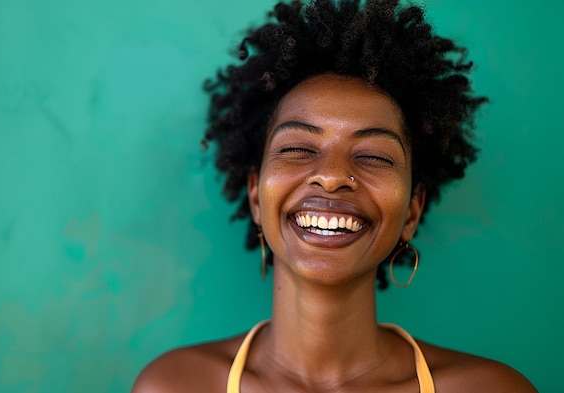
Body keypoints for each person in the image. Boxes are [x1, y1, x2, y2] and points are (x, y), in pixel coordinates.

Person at [132, 0, 537, 391]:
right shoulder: (174, 386)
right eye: (298, 149)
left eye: (374, 155)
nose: (331, 176)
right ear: (256, 196)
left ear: (412, 210)